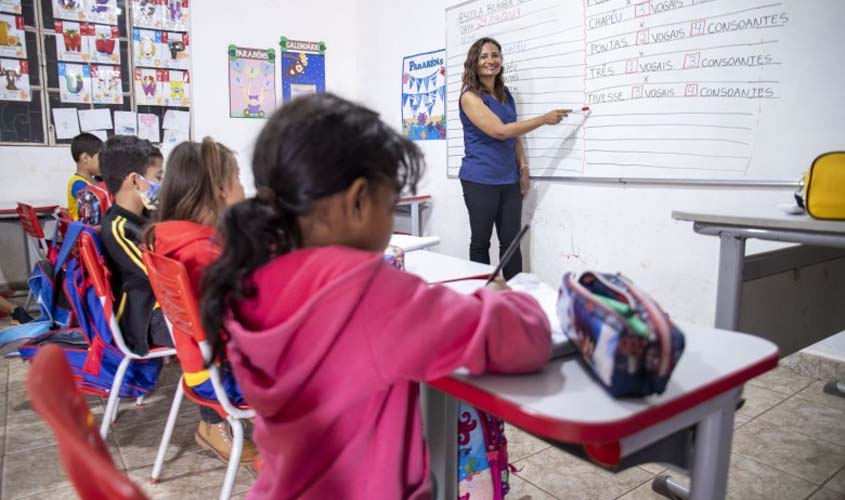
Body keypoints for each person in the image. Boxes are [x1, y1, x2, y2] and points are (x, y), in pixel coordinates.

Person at [200, 93, 552, 499]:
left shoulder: (251, 278)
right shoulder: (368, 296)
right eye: (392, 200)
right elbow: (521, 339)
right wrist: (505, 296)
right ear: (359, 199)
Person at [144, 138, 257, 464]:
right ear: (221, 188)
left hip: (198, 369)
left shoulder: (169, 237)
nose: (242, 186)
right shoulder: (201, 253)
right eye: (237, 176)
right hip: (224, 376)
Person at [459, 37, 570, 280]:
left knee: (511, 243)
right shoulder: (470, 97)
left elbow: (515, 134)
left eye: (495, 55)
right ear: (474, 63)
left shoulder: (505, 94)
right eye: (484, 56)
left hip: (508, 180)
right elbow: (500, 131)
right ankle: (485, 296)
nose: (491, 61)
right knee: (481, 242)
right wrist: (543, 119)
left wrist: (523, 167)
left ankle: (514, 295)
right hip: (480, 180)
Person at [98, 135, 165, 356]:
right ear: (135, 181)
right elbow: (159, 275)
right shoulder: (118, 228)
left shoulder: (147, 216)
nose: (162, 184)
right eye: (158, 177)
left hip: (162, 307)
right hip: (145, 319)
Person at [67, 132, 104, 220]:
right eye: (100, 158)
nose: (104, 162)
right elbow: (91, 211)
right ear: (85, 158)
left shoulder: (93, 180)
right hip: (83, 231)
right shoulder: (79, 184)